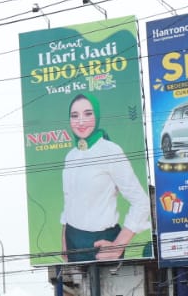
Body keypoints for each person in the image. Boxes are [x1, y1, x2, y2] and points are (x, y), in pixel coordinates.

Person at [60, 93, 152, 262]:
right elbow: (69, 199)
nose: (81, 121)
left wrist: (119, 244)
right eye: (74, 115)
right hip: (72, 240)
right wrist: (64, 241)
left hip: (101, 242)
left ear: (97, 115)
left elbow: (141, 202)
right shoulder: (71, 155)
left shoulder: (110, 151)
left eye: (88, 113)